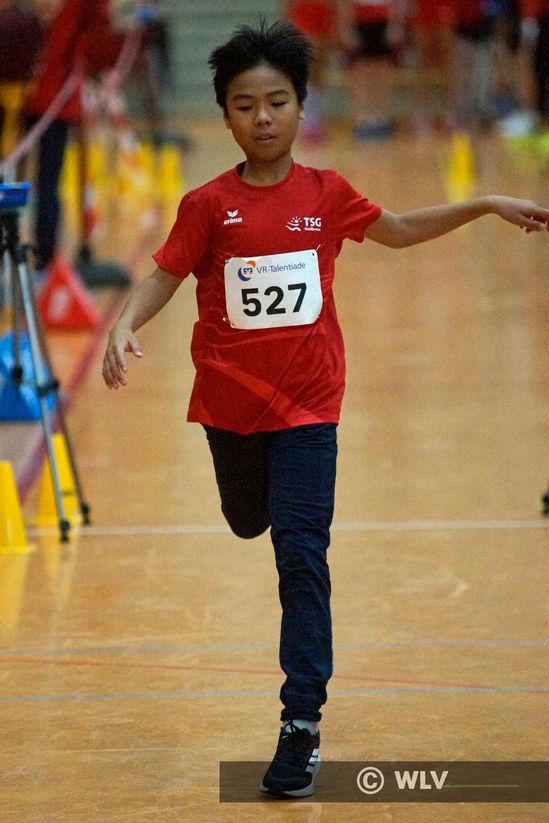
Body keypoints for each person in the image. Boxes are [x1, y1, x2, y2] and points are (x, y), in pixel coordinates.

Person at [101, 19, 548, 799]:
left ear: (301, 105)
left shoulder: (326, 193)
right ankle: (260, 531)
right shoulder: (207, 205)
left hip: (310, 408)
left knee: (301, 553)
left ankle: (300, 721)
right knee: (248, 520)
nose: (263, 118)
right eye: (246, 105)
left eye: (277, 102)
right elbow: (164, 276)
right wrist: (121, 323)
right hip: (228, 407)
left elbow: (398, 229)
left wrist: (483, 202)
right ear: (225, 114)